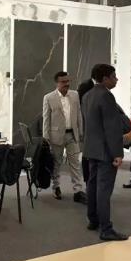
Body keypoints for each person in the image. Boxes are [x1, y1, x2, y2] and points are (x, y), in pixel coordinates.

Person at [81, 64, 131, 241]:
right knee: (104, 190)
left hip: (91, 148)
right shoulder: (106, 96)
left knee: (92, 185)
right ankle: (106, 229)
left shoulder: (87, 95)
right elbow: (112, 128)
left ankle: (93, 220)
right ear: (105, 78)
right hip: (105, 151)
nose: (116, 79)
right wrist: (117, 153)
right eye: (114, 76)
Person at [42, 71, 87, 204]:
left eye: (68, 81)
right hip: (56, 136)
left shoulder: (75, 95)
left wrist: (81, 131)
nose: (67, 84)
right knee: (57, 163)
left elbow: (79, 114)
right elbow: (46, 119)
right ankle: (56, 187)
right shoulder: (49, 98)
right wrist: (46, 137)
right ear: (57, 83)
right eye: (63, 82)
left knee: (75, 163)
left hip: (72, 134)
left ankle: (78, 190)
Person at [77, 64, 104, 184]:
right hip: (87, 123)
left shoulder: (101, 88)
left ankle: (92, 180)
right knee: (87, 153)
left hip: (95, 125)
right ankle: (88, 180)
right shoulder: (85, 86)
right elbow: (81, 106)